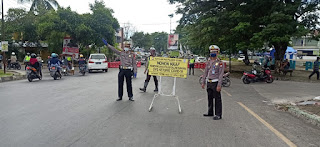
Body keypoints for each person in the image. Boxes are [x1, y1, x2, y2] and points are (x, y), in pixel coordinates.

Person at [201, 45, 225, 120]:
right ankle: (210, 112)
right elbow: (205, 72)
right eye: (211, 52)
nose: (212, 53)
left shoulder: (220, 63)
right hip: (209, 82)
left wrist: (219, 85)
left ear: (217, 53)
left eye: (214, 52)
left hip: (215, 82)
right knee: (209, 98)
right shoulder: (208, 62)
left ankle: (218, 114)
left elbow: (221, 75)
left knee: (217, 99)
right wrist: (203, 82)